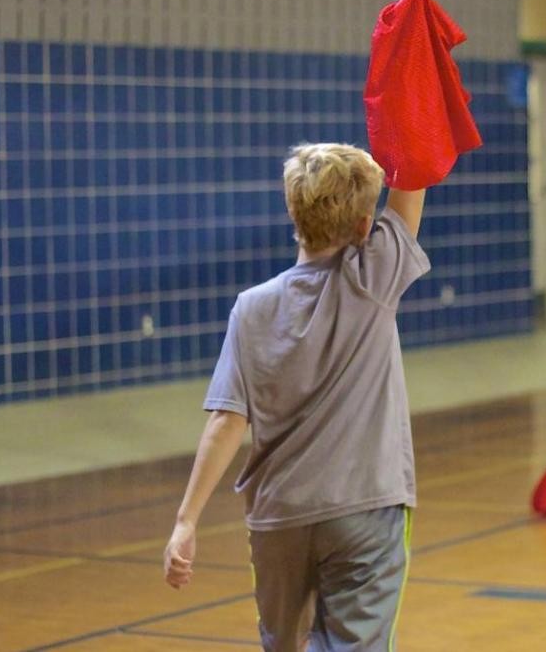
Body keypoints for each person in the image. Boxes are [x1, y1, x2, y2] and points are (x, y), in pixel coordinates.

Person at [163, 143, 430, 650]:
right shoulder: (372, 280)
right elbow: (413, 177)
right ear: (361, 227)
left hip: (278, 519)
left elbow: (226, 422)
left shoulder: (251, 309)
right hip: (365, 509)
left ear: (293, 210)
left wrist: (186, 521)